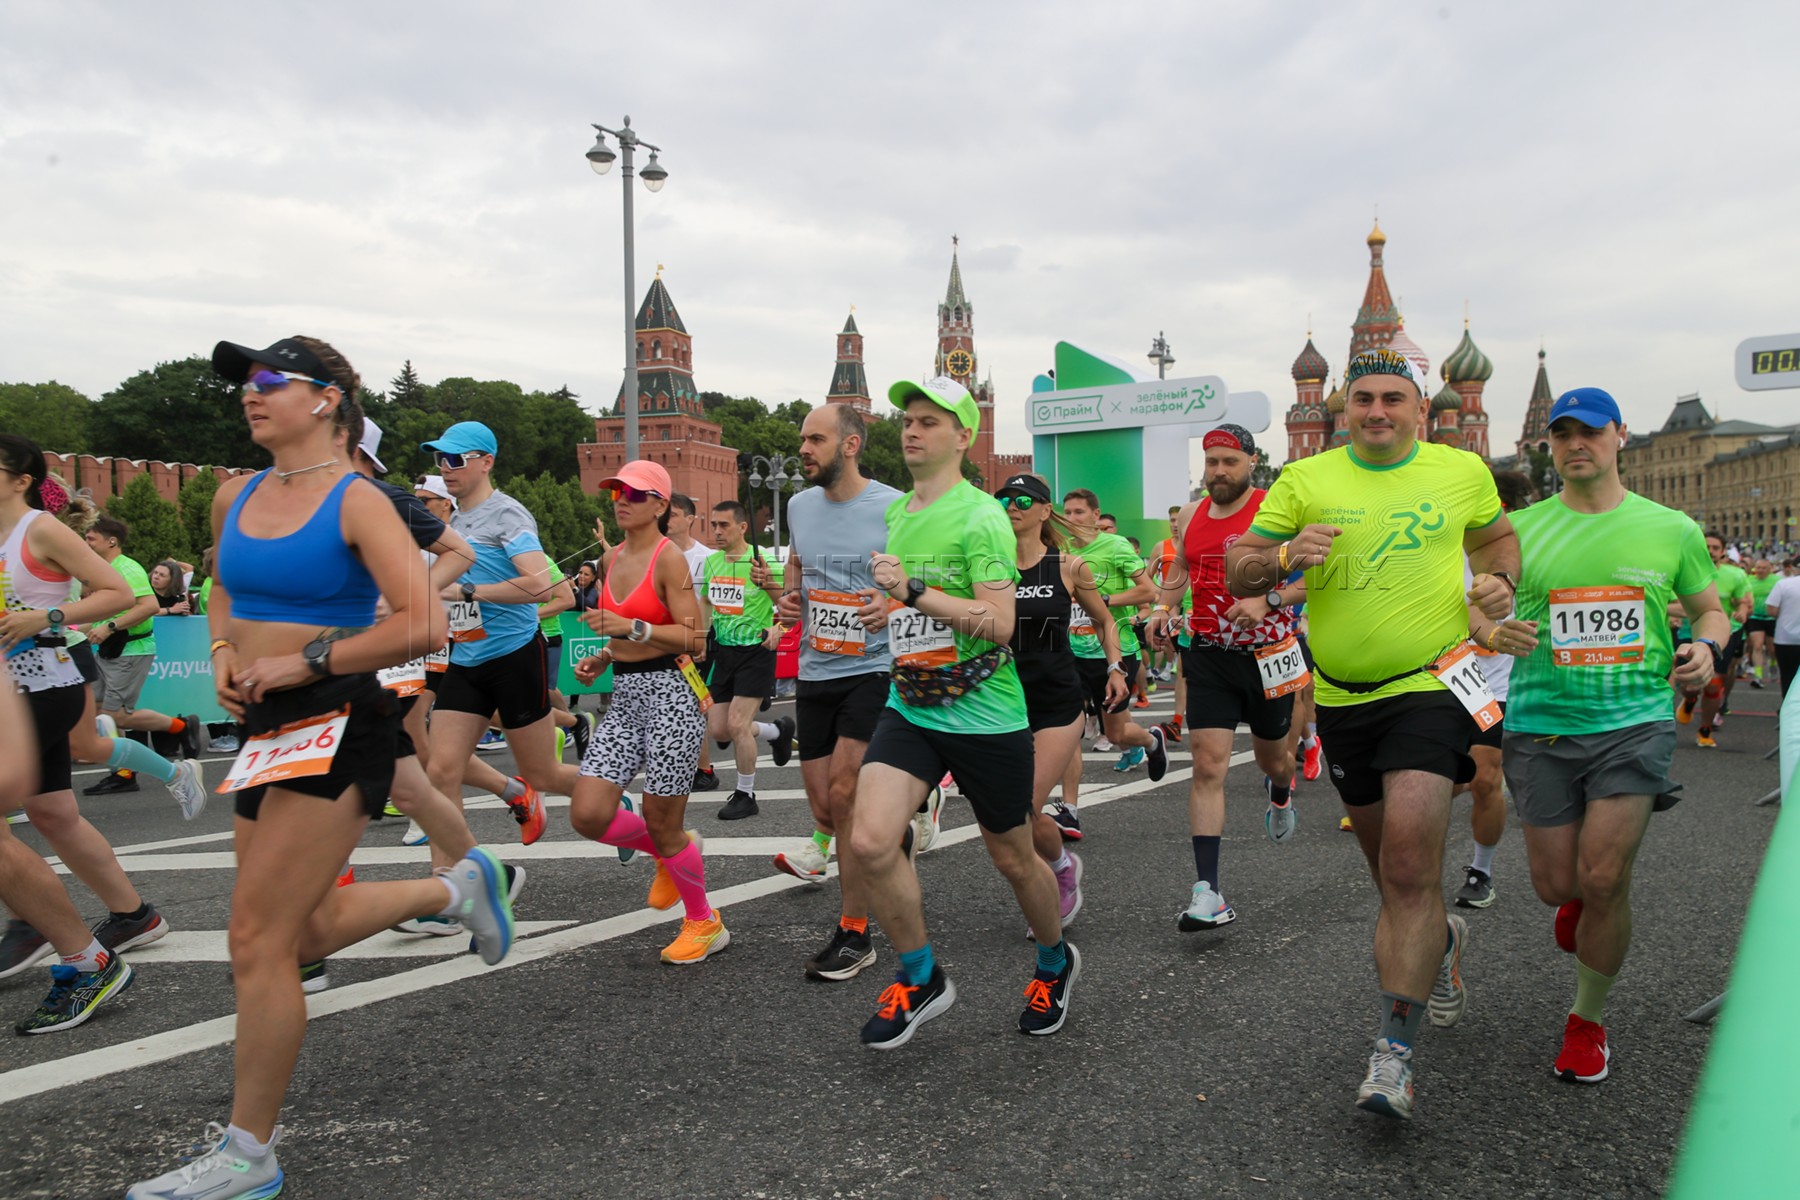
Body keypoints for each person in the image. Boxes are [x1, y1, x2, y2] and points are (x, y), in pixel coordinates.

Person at [127, 336, 512, 1199]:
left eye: (271, 379)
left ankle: (248, 1156)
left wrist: (309, 659)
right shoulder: (235, 494)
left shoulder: (358, 501)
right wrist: (222, 651)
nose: (251, 393)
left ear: (327, 398)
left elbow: (423, 623)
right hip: (264, 726)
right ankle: (454, 889)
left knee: (256, 940)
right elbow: (225, 589)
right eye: (246, 382)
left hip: (338, 719)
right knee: (294, 933)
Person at [1225, 348, 1519, 1120]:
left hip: (1431, 686)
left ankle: (1393, 1055)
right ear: (1344, 408)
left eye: (1394, 398)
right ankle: (1439, 940)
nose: (1378, 410)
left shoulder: (1460, 471)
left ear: (1421, 409)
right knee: (1394, 883)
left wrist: (1500, 581)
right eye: (1364, 399)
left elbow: (1497, 540)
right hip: (1342, 699)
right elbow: (1238, 567)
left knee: (1411, 865)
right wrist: (1282, 557)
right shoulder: (1306, 479)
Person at [1486, 387, 1723, 1085]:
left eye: (1589, 432)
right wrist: (1492, 628)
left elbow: (1710, 611)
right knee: (1556, 884)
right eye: (1562, 435)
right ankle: (1581, 906)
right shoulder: (1517, 530)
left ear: (1620, 434)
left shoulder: (1670, 527)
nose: (1575, 445)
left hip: (1634, 722)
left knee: (1604, 876)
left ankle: (1587, 1022)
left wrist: (1707, 648)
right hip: (1540, 724)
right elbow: (1477, 611)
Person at [852, 376, 1076, 1049]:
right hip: (912, 703)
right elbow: (914, 602)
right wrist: (886, 607)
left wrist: (912, 590)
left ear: (962, 436)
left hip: (983, 711)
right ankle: (921, 977)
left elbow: (1000, 622)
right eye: (907, 420)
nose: (911, 430)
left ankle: (1054, 961)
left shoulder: (981, 516)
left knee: (1013, 857)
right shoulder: (900, 512)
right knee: (869, 841)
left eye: (929, 421)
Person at [0, 433, 144, 1032]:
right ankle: (132, 915)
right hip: (12, 692)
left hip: (39, 687)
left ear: (20, 480)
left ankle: (79, 955)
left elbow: (118, 593)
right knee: (54, 813)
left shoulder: (39, 530)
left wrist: (46, 615)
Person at [566, 460, 728, 965]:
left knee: (663, 820)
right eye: (616, 492)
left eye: (634, 494)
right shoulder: (611, 558)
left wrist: (628, 629)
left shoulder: (669, 559)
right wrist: (604, 655)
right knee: (587, 813)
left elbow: (694, 637)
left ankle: (704, 921)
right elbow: (623, 632)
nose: (621, 501)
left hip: (673, 694)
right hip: (626, 695)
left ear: (660, 505)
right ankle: (666, 851)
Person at [772, 404, 911, 979]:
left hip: (876, 667)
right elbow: (797, 565)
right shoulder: (799, 505)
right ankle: (897, 829)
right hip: (817, 669)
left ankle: (855, 933)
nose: (804, 449)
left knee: (846, 792)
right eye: (803, 439)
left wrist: (894, 602)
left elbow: (920, 580)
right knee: (827, 808)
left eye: (816, 439)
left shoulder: (894, 506)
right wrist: (789, 597)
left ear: (850, 445)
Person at [1149, 425, 1301, 932]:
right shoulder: (1192, 514)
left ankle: (1280, 790)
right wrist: (1162, 608)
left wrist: (1267, 600)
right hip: (1209, 653)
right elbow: (1180, 569)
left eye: (1229, 462)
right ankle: (1207, 891)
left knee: (1273, 759)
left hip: (1268, 654)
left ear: (1251, 462)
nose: (1218, 471)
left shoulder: (1275, 509)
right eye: (1211, 461)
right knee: (1208, 764)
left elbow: (1313, 578)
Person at [419, 420, 578, 844]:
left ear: (486, 462)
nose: (445, 467)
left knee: (543, 773)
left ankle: (612, 798)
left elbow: (540, 586)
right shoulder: (452, 520)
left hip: (513, 655)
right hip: (466, 656)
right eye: (440, 459)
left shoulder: (507, 513)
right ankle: (459, 872)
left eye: (455, 459)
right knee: (441, 769)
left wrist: (468, 591)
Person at [1001, 472, 1125, 936]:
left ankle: (1053, 886)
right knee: (1013, 814)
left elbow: (1105, 621)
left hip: (1057, 701)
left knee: (1022, 806)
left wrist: (1115, 668)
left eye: (1022, 500)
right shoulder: (991, 566)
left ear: (1043, 510)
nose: (1011, 507)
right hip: (1003, 702)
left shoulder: (1068, 566)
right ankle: (1061, 863)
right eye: (1005, 500)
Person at [1054, 488, 1163, 832]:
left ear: (1095, 515)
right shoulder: (1061, 550)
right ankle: (1069, 810)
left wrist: (1101, 600)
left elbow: (1149, 591)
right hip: (1072, 653)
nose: (1072, 518)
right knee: (1068, 732)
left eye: (1079, 512)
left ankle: (1151, 741)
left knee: (1115, 733)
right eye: (1067, 512)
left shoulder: (1115, 547)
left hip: (1115, 651)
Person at [1450, 468, 1536, 909]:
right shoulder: (1441, 538)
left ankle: (1481, 871)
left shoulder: (1520, 543)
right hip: (1439, 677)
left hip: (1493, 683)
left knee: (1486, 777)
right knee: (1440, 784)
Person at [81, 514, 200, 793]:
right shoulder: (102, 569)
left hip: (131, 649)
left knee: (115, 716)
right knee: (100, 713)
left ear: (111, 541)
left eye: (91, 538)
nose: (86, 542)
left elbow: (147, 608)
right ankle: (123, 772)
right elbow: (100, 612)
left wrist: (109, 627)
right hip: (108, 650)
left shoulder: (128, 568)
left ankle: (179, 728)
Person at [699, 500, 796, 819]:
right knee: (719, 730)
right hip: (724, 653)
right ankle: (777, 732)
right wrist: (699, 637)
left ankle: (746, 795)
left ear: (742, 527)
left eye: (723, 525)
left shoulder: (762, 560)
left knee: (738, 725)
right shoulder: (711, 562)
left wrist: (779, 627)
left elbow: (792, 607)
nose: (717, 531)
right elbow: (706, 601)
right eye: (714, 525)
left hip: (756, 652)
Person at [1674, 532, 1753, 747]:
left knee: (1714, 683)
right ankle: (1690, 698)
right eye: (1706, 546)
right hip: (1687, 634)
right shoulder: (1682, 569)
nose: (1710, 551)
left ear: (1723, 552)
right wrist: (1671, 614)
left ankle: (1705, 730)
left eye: (1715, 548)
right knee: (1689, 683)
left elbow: (1742, 601)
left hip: (1723, 635)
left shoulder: (1735, 575)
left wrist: (1742, 611)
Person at [1765, 562, 1800, 702]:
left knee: (1787, 676)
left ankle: (1788, 708)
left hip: (1786, 638)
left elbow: (1771, 610)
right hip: (1786, 638)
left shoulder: (1784, 584)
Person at [1743, 558, 1778, 689]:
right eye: (1758, 568)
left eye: (1764, 568)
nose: (1761, 570)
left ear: (1770, 569)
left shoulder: (1776, 581)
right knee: (1757, 646)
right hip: (1755, 617)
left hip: (1771, 618)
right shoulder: (1749, 580)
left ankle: (1773, 663)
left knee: (1772, 648)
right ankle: (1758, 676)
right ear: (1754, 569)